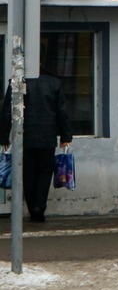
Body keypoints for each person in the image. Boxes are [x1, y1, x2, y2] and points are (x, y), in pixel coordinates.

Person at [0, 74, 73, 223]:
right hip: (48, 135)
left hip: (24, 135)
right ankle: (39, 207)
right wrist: (66, 136)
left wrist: (4, 137)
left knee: (27, 172)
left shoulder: (18, 81)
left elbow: (8, 110)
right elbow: (62, 112)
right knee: (45, 172)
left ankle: (33, 206)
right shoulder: (54, 83)